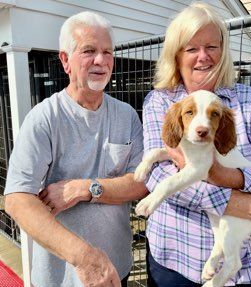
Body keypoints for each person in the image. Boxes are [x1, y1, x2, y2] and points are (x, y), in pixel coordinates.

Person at [142, 2, 251, 287]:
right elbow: (157, 176)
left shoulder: (250, 101)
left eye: (212, 46)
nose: (203, 57)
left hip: (248, 268)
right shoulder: (161, 102)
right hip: (176, 259)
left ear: (223, 51)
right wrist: (248, 206)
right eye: (191, 48)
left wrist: (236, 178)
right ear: (175, 54)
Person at [4, 11, 147, 287]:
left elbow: (140, 184)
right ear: (65, 60)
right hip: (61, 277)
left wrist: (86, 188)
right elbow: (17, 200)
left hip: (117, 269)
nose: (101, 60)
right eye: (89, 50)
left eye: (107, 52)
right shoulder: (44, 118)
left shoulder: (127, 115)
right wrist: (85, 258)